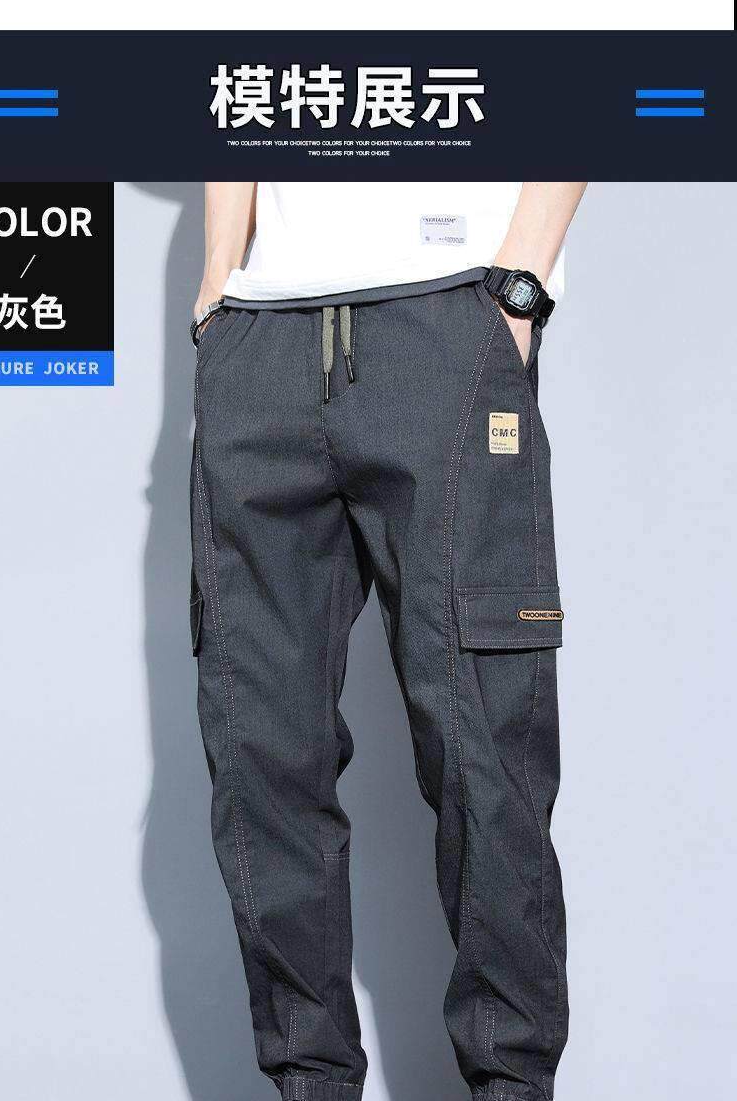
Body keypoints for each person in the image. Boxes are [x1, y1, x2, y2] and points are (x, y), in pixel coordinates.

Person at [190, 181, 587, 1101]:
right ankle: (309, 1084)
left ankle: (512, 1086)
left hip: (446, 317)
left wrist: (520, 283)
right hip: (261, 336)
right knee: (258, 751)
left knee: (486, 754)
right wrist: (217, 282)